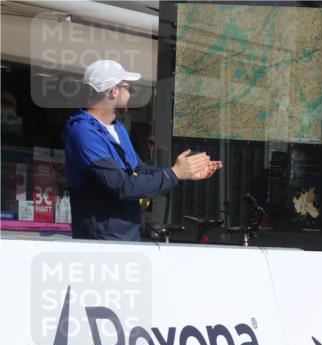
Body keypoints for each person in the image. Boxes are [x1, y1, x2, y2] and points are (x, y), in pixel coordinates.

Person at [64, 60, 222, 241]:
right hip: (102, 242)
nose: (131, 93)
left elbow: (139, 171)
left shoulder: (117, 128)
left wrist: (183, 172)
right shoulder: (83, 132)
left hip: (127, 236)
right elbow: (121, 186)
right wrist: (174, 174)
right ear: (113, 91)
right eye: (128, 87)